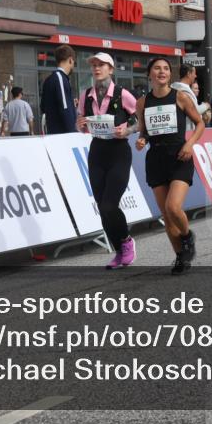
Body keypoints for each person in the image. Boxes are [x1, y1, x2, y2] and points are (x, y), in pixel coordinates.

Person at [135, 57, 205, 274]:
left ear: (170, 75)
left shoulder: (181, 97)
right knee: (166, 215)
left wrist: (190, 143)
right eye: (157, 68)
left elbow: (201, 123)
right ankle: (180, 257)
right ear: (149, 74)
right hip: (156, 159)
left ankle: (187, 237)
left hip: (179, 156)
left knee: (173, 207)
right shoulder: (142, 102)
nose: (162, 71)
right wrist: (142, 140)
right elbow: (144, 131)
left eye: (165, 68)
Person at [77, 53, 140, 269]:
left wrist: (128, 129)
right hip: (97, 151)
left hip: (118, 152)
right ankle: (118, 250)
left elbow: (140, 119)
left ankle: (126, 242)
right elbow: (81, 126)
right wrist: (82, 124)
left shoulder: (122, 94)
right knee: (101, 206)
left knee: (109, 204)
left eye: (101, 65)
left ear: (111, 69)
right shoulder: (86, 95)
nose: (96, 68)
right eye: (94, 65)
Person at [40, 44, 78, 134]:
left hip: (53, 133)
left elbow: (43, 107)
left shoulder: (50, 79)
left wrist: (70, 103)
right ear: (70, 60)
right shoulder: (60, 78)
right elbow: (65, 107)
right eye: (74, 62)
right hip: (63, 134)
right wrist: (73, 132)